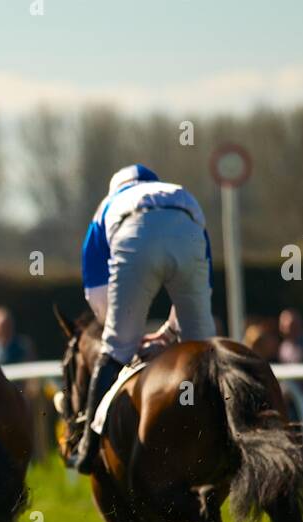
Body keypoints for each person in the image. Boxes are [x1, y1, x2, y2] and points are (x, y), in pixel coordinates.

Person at [68, 163, 217, 473]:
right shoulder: (176, 194)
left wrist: (127, 337)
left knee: (116, 349)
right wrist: (170, 332)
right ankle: (228, 434)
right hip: (189, 227)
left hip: (133, 232)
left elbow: (97, 293)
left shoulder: (106, 208)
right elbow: (205, 282)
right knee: (204, 352)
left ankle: (87, 448)